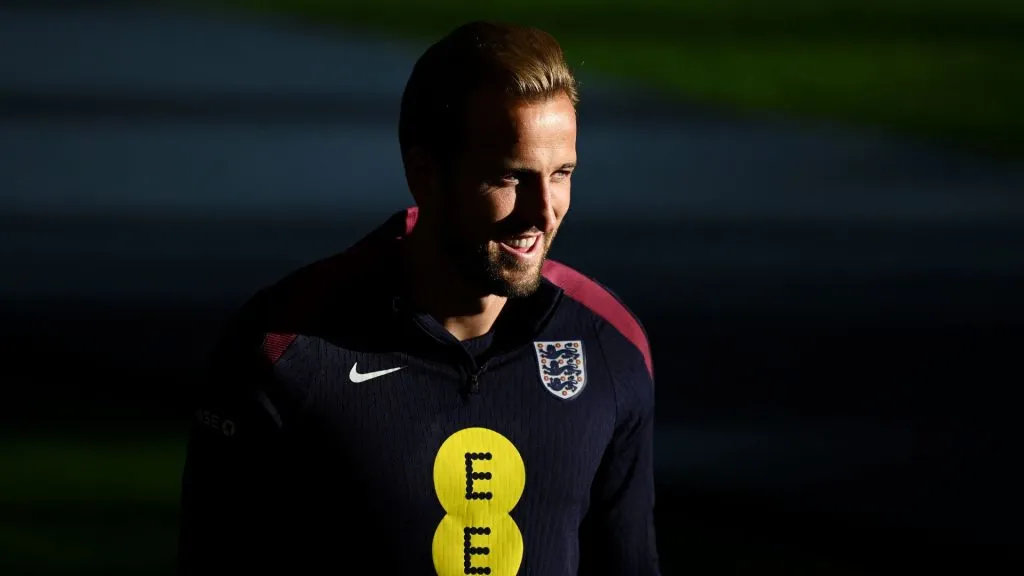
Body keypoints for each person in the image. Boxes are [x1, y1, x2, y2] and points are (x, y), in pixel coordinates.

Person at [177, 20, 659, 576]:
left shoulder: (608, 346)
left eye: (562, 173)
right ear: (424, 175)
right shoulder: (283, 353)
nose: (544, 212)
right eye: (510, 178)